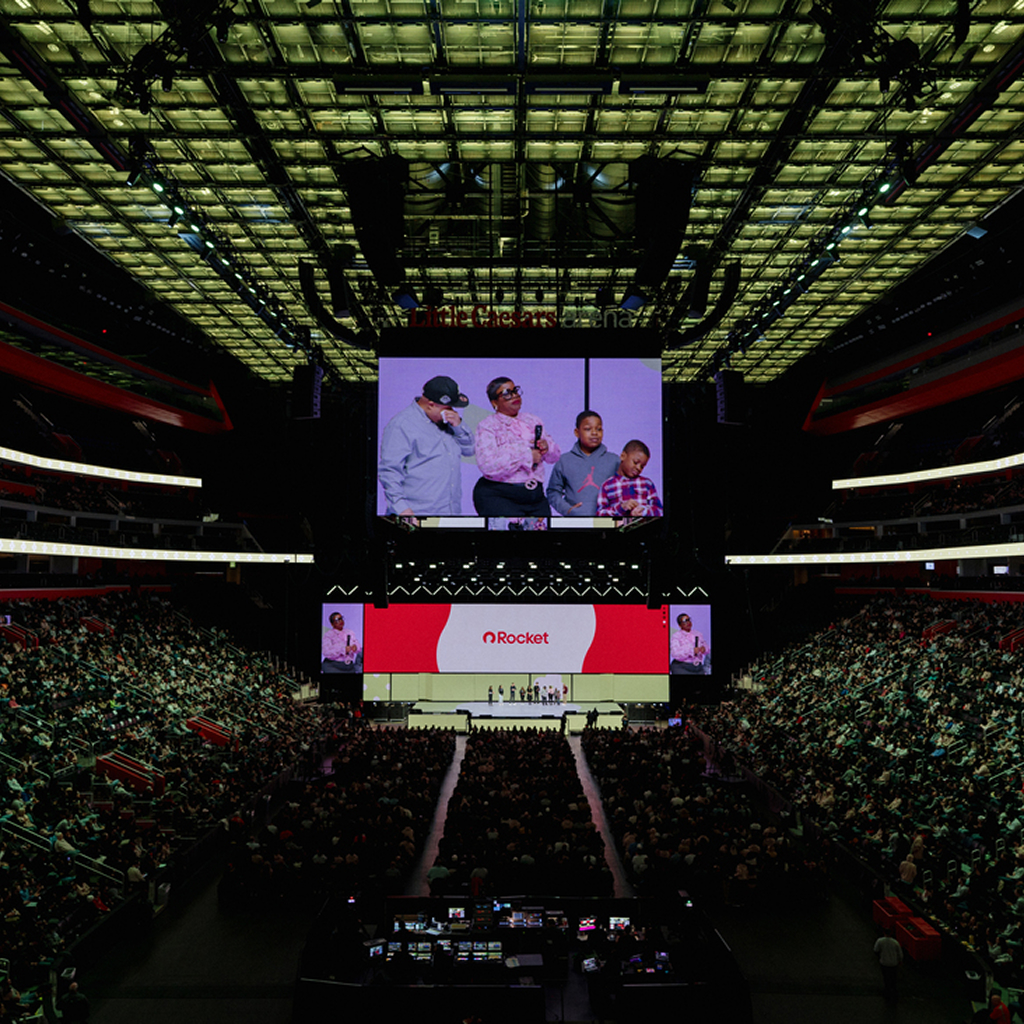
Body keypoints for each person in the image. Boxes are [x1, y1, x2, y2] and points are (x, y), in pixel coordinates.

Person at [378, 375, 475, 516]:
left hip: (450, 513)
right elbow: (389, 471)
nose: (451, 411)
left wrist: (459, 426)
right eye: (448, 407)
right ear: (431, 405)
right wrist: (402, 509)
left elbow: (469, 450)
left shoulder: (451, 422)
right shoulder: (402, 425)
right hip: (416, 515)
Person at [473, 377, 560, 516]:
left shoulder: (533, 420)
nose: (514, 396)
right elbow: (487, 465)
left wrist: (547, 447)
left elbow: (554, 457)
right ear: (494, 402)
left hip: (534, 496)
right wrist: (526, 456)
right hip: (499, 496)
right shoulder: (487, 426)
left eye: (515, 391)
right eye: (507, 393)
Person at [545, 410, 620, 516]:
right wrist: (568, 510)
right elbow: (553, 492)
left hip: (607, 521)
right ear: (577, 432)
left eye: (599, 429)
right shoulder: (564, 461)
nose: (594, 433)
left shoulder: (614, 460)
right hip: (576, 524)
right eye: (588, 429)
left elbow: (624, 488)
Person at [596, 440, 663, 518]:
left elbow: (659, 510)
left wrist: (644, 511)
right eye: (635, 462)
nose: (638, 468)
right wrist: (621, 508)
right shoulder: (607, 485)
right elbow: (600, 514)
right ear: (623, 456)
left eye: (642, 466)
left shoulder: (647, 484)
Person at [873, 930, 902, 1002]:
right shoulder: (895, 942)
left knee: (886, 977)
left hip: (884, 962)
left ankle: (887, 992)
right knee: (893, 978)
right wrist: (900, 961)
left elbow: (876, 950)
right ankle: (894, 992)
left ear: (884, 933)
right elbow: (900, 954)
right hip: (893, 963)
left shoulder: (880, 941)